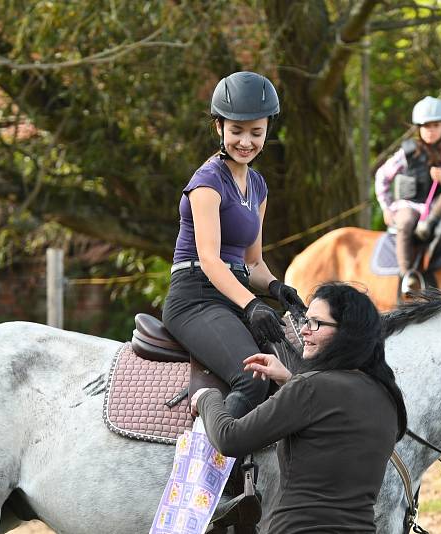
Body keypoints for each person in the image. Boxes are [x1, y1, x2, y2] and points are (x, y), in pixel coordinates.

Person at [162, 71, 306, 523]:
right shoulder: (207, 183)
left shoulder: (258, 186)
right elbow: (210, 261)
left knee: (297, 368)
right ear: (219, 128)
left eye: (256, 132)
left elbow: (254, 264)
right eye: (238, 131)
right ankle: (212, 482)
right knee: (253, 378)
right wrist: (250, 304)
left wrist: (278, 290)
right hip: (195, 296)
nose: (247, 141)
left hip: (233, 291)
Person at [191, 283, 408, 533]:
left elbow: (230, 439)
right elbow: (333, 423)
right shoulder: (387, 398)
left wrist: (208, 397)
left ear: (347, 333)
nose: (304, 330)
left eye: (316, 323)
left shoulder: (311, 388)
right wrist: (289, 379)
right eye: (306, 321)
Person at [375, 96, 441, 295]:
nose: (431, 131)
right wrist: (386, 206)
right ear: (419, 128)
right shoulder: (408, 152)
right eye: (426, 126)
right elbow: (382, 176)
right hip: (409, 205)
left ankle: (429, 225)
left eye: (435, 125)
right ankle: (408, 275)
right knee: (405, 222)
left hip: (438, 206)